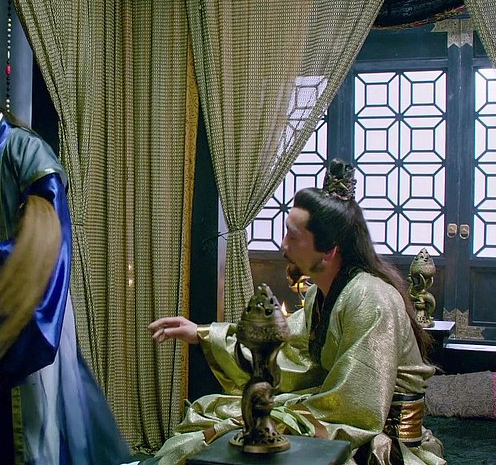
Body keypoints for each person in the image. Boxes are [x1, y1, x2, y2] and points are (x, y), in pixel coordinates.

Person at [148, 159, 446, 464]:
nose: (283, 245)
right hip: (336, 408)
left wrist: (279, 419)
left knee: (233, 434)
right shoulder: (321, 292)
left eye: (293, 236)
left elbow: (358, 404)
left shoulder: (371, 299)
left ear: (329, 251)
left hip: (376, 436)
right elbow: (285, 347)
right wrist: (201, 333)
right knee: (212, 411)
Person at [0, 54, 129, 464]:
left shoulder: (26, 149)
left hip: (27, 290)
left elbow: (49, 225)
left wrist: (2, 259)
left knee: (35, 407)